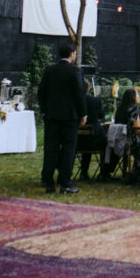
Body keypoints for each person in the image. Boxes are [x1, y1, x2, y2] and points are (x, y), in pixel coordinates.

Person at [37, 42, 86, 194]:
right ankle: (65, 182)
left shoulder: (49, 70)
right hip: (69, 117)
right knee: (68, 149)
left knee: (50, 148)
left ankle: (48, 181)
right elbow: (79, 94)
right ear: (72, 53)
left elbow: (41, 93)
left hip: (52, 116)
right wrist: (83, 113)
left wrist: (45, 110)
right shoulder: (75, 72)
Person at [77, 78, 108, 182]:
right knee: (108, 141)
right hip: (94, 140)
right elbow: (102, 115)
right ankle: (104, 172)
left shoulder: (73, 101)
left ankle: (84, 172)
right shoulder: (95, 101)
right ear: (88, 88)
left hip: (76, 141)